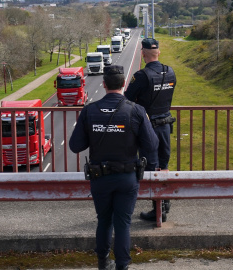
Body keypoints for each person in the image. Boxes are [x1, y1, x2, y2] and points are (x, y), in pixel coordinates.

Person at [69, 65, 158, 270]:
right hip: (127, 178)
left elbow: (75, 146)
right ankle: (122, 265)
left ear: (104, 84)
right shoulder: (136, 111)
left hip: (100, 178)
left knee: (104, 221)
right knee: (123, 223)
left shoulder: (90, 110)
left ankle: (103, 262)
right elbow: (152, 146)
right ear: (124, 84)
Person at [125, 38, 176, 222]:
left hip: (148, 128)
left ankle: (158, 211)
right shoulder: (170, 72)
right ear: (159, 53)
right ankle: (164, 203)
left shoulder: (141, 76)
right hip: (165, 126)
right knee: (165, 166)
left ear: (143, 54)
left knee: (152, 168)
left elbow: (128, 99)